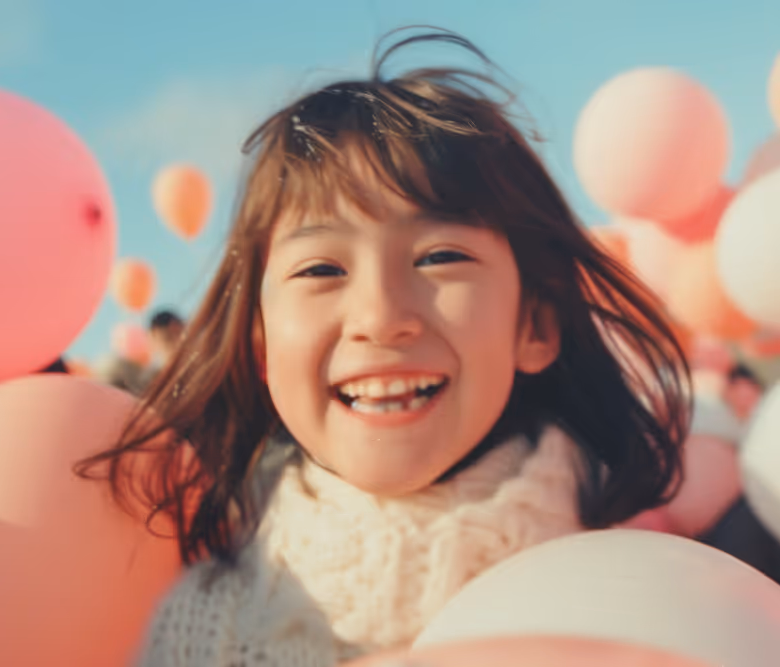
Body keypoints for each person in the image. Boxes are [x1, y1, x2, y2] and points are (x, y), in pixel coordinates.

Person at [76, 28, 690, 666]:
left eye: (441, 256)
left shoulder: (647, 603)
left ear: (533, 325)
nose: (381, 316)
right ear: (262, 350)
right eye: (320, 270)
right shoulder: (187, 635)